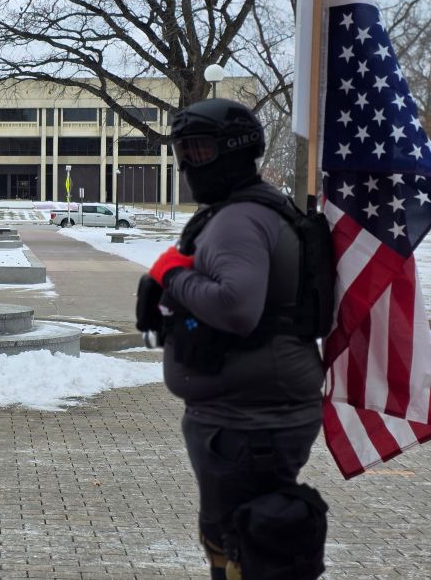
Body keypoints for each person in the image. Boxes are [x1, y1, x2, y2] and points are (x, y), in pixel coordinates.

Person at [137, 98, 327, 580]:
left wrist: (169, 277)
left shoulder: (240, 219)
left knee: (245, 546)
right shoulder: (254, 210)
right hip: (252, 413)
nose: (188, 163)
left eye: (200, 151)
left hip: (251, 423)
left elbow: (236, 306)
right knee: (241, 539)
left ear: (237, 151)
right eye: (183, 151)